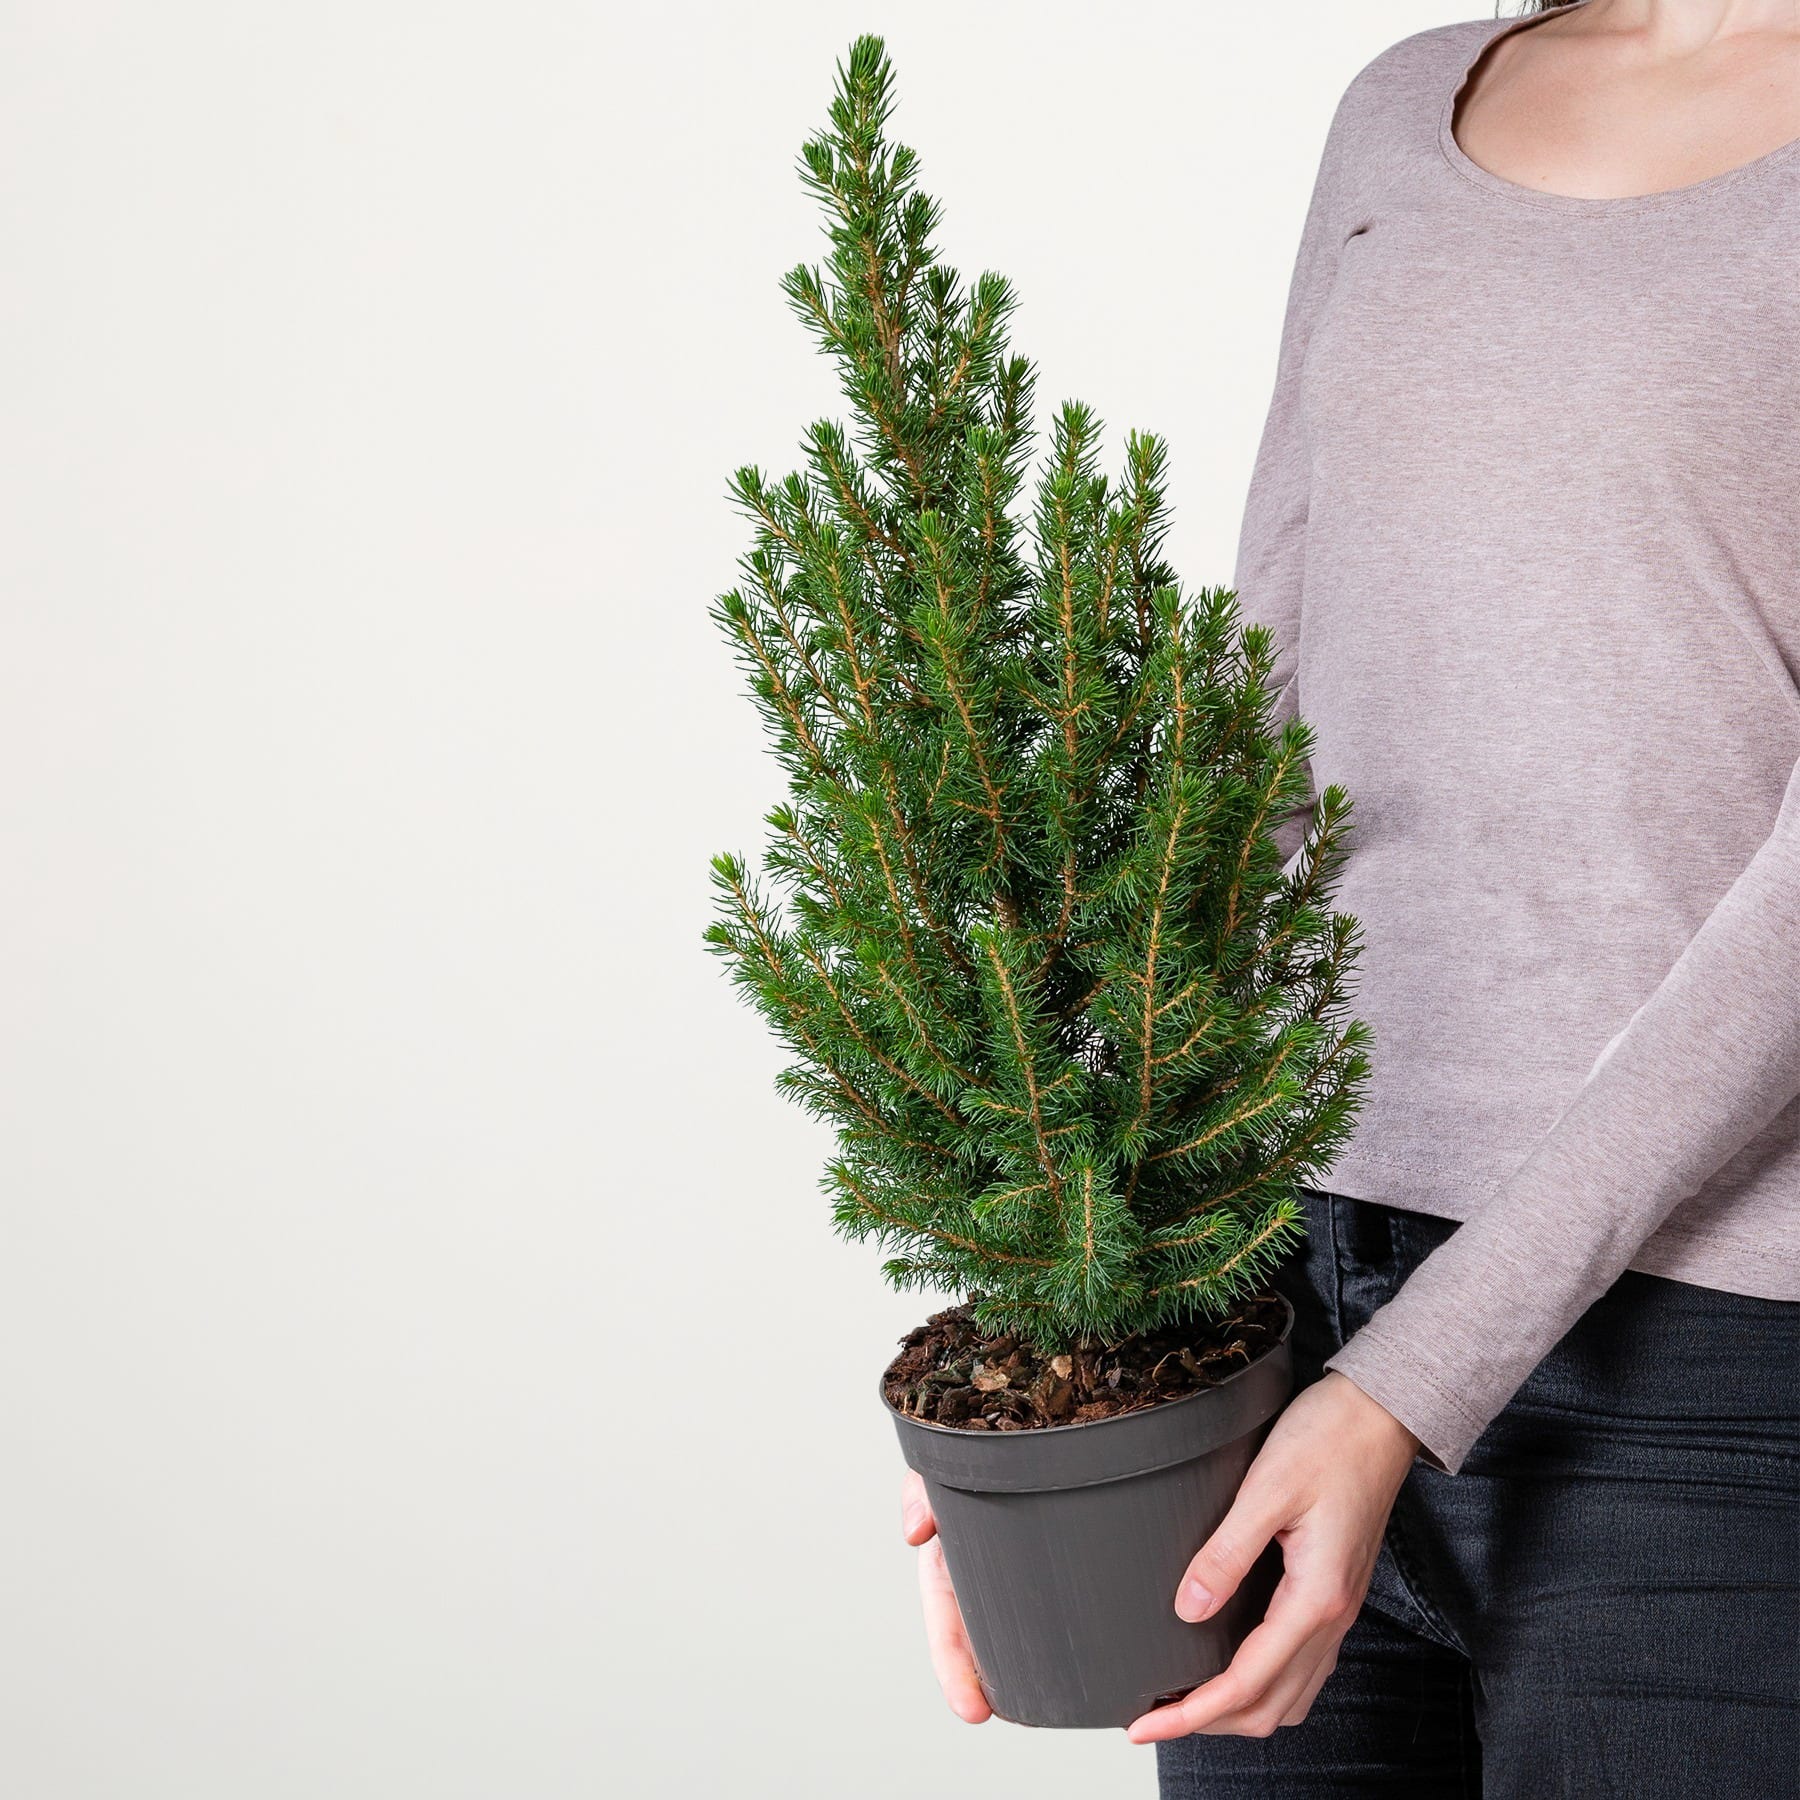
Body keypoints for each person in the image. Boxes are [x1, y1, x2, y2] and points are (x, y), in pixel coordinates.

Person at [898, 1, 1800, 1790]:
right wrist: (1074, 1334)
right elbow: (1264, 697)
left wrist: (1411, 1386)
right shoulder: (1405, 102)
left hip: (1718, 1366)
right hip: (1284, 1291)